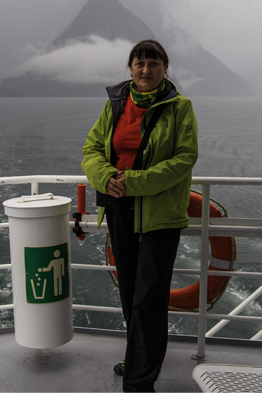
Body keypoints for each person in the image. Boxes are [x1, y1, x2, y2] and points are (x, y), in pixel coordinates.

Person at [81, 38, 198, 393]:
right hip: (120, 212)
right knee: (131, 291)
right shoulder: (116, 104)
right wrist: (105, 178)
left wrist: (132, 182)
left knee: (149, 296)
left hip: (161, 216)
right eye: (140, 63)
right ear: (130, 69)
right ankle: (139, 356)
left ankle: (138, 382)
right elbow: (91, 149)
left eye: (154, 63)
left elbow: (184, 158)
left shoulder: (180, 107)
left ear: (165, 69)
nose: (146, 69)